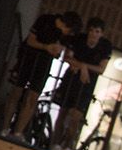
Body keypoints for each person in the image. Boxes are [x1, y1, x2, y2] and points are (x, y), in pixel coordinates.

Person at [5, 9, 78, 140]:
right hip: (27, 59)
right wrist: (46, 47)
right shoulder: (45, 20)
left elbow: (62, 51)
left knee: (32, 97)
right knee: (16, 93)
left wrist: (57, 50)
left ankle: (17, 132)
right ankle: (4, 129)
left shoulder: (65, 37)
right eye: (69, 30)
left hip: (44, 65)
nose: (68, 33)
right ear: (66, 25)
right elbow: (30, 41)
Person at [51, 17, 112, 150]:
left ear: (101, 34)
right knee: (63, 112)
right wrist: (82, 66)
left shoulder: (105, 46)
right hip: (71, 80)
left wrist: (82, 66)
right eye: (91, 31)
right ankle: (55, 144)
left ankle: (68, 145)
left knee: (76, 116)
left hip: (86, 85)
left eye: (97, 32)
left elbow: (101, 69)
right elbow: (67, 57)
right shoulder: (78, 40)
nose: (93, 35)